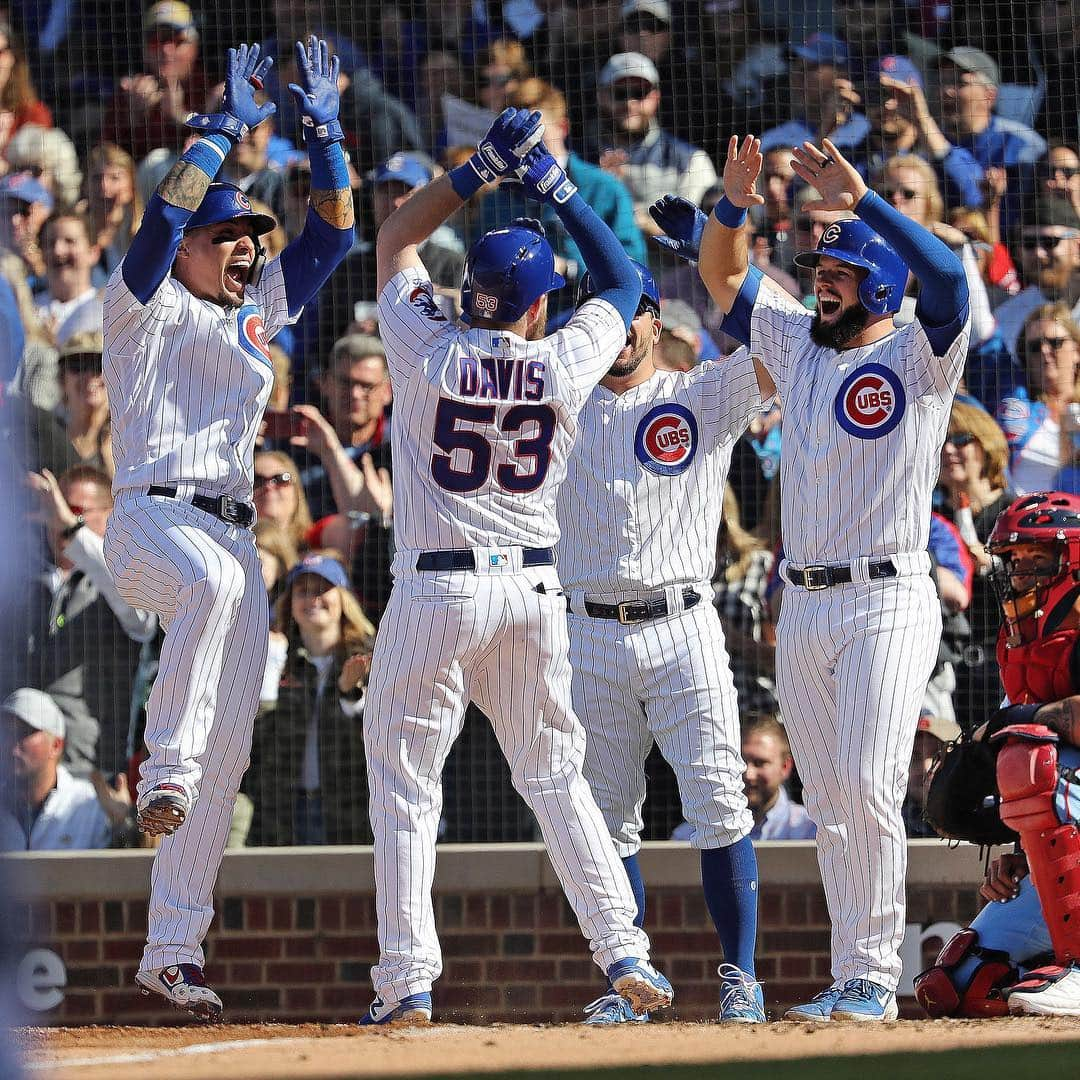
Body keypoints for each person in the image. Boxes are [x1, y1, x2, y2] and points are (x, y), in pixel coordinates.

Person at [363, 106, 673, 1025]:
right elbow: (627, 278)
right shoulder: (564, 359)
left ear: (473, 292)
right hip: (533, 589)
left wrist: (478, 170)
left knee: (408, 787)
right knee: (557, 781)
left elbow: (392, 238)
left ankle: (407, 981)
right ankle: (624, 951)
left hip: (437, 586)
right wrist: (560, 188)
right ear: (538, 304)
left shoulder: (428, 344)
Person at [651, 131, 970, 1021]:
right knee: (831, 799)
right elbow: (721, 276)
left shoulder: (920, 355)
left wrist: (864, 201)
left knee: (869, 786)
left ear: (878, 280)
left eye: (837, 268)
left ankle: (872, 978)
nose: (821, 276)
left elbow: (951, 285)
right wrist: (732, 205)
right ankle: (850, 974)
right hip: (807, 600)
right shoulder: (796, 345)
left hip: (888, 595)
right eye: (819, 266)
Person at [99, 38, 354, 1020]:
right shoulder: (143, 302)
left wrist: (323, 131)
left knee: (230, 761)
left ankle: (172, 950)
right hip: (149, 520)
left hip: (236, 540)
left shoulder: (256, 316)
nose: (249, 245)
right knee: (203, 589)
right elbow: (163, 217)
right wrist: (218, 125)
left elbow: (332, 235)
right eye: (232, 234)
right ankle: (154, 769)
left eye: (253, 233)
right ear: (195, 249)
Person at [558, 261, 767, 1024]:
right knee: (605, 817)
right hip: (585, 628)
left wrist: (725, 259)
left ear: (655, 321)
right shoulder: (558, 400)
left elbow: (781, 345)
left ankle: (740, 978)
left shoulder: (698, 392)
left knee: (719, 801)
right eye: (604, 314)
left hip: (684, 625)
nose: (622, 328)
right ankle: (631, 981)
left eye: (634, 312)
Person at [914, 492, 1080, 1018]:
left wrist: (1009, 725)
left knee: (1029, 753)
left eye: (1039, 560)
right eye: (1014, 561)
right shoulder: (1023, 645)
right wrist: (1028, 853)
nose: (1023, 574)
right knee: (961, 981)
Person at [23, 463, 156, 778]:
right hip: (20, 772)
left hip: (89, 772)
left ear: (110, 515)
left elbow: (142, 621)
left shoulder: (125, 578)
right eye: (54, 506)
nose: (60, 517)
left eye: (75, 510)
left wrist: (73, 531)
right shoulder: (26, 577)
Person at [246, 553, 374, 845]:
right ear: (290, 602)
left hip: (348, 813)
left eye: (322, 590)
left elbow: (383, 739)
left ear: (343, 598)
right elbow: (255, 742)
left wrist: (348, 694)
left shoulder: (369, 657)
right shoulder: (276, 656)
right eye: (303, 591)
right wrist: (271, 669)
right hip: (282, 813)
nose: (312, 599)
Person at [478, 78, 647, 295]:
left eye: (535, 134)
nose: (526, 145)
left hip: (588, 314)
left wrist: (570, 270)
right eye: (517, 137)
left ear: (563, 127)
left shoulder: (606, 189)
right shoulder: (496, 200)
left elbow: (635, 266)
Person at [588, 53, 717, 243]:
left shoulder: (691, 159)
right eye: (620, 93)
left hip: (662, 270)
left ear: (656, 97)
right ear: (601, 96)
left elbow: (700, 237)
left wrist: (623, 201)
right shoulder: (578, 157)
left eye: (639, 93)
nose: (630, 103)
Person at [0, 687, 113, 851]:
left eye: (25, 732)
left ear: (56, 745)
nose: (13, 743)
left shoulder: (89, 806)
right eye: (7, 732)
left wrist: (124, 827)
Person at [102, 1, 209, 162]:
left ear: (194, 46)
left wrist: (181, 117)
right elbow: (106, 159)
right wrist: (132, 121)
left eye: (177, 40)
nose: (166, 50)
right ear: (144, 49)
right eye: (156, 40)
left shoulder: (210, 87)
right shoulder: (129, 92)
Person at [997, 304, 1080, 493]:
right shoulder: (1015, 405)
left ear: (1077, 350)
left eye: (1055, 342)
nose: (1044, 350)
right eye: (1034, 347)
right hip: (1025, 516)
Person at [741, 714, 816, 841]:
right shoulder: (718, 827)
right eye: (741, 762)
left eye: (760, 763)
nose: (748, 774)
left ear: (785, 766)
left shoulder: (809, 829)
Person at [36, 213, 102, 346]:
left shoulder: (105, 313)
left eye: (69, 241)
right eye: (50, 243)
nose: (58, 251)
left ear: (93, 252)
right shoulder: (27, 313)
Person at [253, 450, 314, 553]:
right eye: (257, 480)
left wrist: (329, 451)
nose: (269, 486)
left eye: (280, 479)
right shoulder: (232, 546)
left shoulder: (316, 540)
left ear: (296, 491)